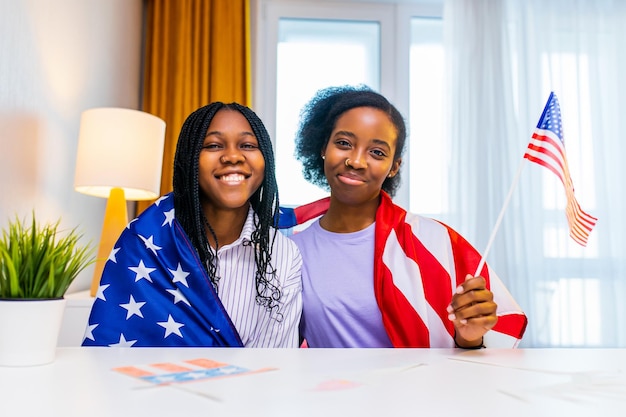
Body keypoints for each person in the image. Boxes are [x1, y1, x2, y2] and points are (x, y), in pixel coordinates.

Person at [283, 85, 527, 348]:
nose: (356, 161)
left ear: (393, 167)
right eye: (344, 143)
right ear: (323, 147)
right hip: (330, 388)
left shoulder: (435, 241)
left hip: (419, 388)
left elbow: (491, 337)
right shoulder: (291, 251)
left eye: (377, 152)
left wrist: (470, 335)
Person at [83, 102, 302, 348]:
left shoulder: (283, 254)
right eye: (213, 145)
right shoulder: (144, 242)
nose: (232, 156)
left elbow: (272, 362)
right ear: (190, 160)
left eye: (248, 145)